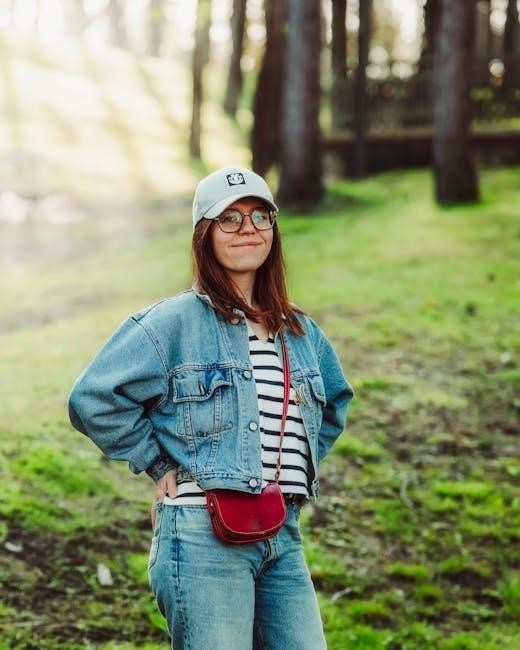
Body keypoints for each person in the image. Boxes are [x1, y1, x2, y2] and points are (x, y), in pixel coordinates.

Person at [68, 166, 354, 650]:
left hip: (280, 532)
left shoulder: (300, 332)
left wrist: (289, 470)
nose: (248, 229)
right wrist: (156, 462)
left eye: (260, 216)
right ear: (205, 234)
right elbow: (94, 398)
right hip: (202, 534)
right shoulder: (173, 322)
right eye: (230, 218)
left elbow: (333, 404)